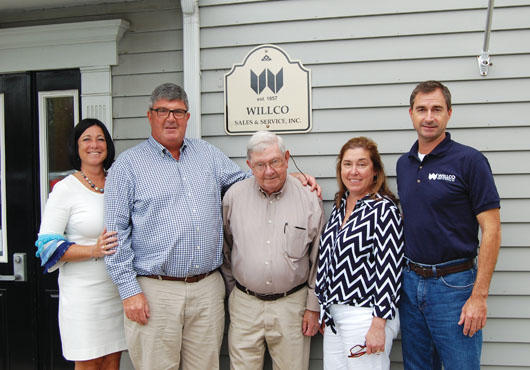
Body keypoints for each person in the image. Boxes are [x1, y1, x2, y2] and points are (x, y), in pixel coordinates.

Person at [104, 83, 320, 370]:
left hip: (207, 289)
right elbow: (114, 236)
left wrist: (287, 176)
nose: (171, 118)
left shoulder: (207, 155)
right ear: (150, 116)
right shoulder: (128, 166)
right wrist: (129, 291)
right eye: (163, 111)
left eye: (178, 112)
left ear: (188, 116)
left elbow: (249, 179)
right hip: (156, 291)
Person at [397, 80, 502, 370]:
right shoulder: (403, 164)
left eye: (436, 109)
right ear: (411, 114)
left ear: (449, 114)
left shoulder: (470, 161)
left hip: (454, 288)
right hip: (410, 282)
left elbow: (492, 229)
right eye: (421, 109)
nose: (428, 117)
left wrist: (479, 297)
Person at [221, 131, 324, 370]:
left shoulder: (309, 198)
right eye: (260, 164)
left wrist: (312, 306)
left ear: (287, 158)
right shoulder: (233, 197)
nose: (269, 171)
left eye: (275, 161)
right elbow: (225, 249)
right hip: (245, 305)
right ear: (250, 166)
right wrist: (234, 293)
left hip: (293, 306)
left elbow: (319, 258)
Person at [35, 118, 126, 370]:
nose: (94, 145)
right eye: (86, 139)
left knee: (112, 361)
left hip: (117, 291)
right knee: (89, 362)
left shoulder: (118, 184)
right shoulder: (65, 189)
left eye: (100, 139)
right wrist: (93, 250)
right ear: (76, 147)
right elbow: (46, 246)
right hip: (83, 296)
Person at [315, 136, 404, 370]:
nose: (353, 171)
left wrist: (378, 325)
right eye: (347, 164)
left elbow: (390, 270)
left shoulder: (384, 209)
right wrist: (325, 309)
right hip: (335, 316)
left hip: (366, 315)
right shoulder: (340, 206)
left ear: (375, 171)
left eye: (362, 164)